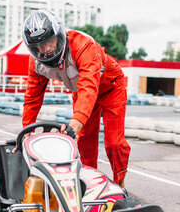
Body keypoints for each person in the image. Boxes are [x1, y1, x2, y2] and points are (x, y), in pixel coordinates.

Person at [20, 10, 130, 189]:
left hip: (109, 86)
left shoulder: (84, 46)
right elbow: (32, 97)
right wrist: (25, 131)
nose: (46, 49)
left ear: (58, 35)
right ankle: (89, 183)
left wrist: (75, 124)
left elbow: (89, 87)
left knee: (114, 143)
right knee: (85, 141)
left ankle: (120, 182)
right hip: (82, 89)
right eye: (39, 45)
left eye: (49, 42)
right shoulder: (36, 63)